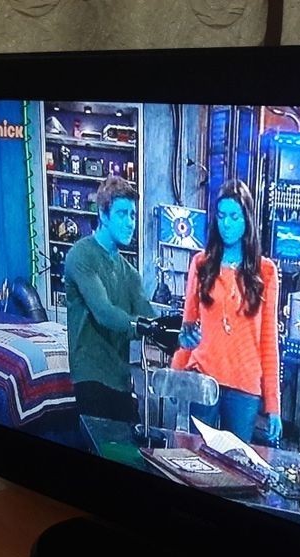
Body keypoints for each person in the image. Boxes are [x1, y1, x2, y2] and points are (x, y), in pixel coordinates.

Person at [171, 179, 282, 445]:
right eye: (221, 216)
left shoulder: (265, 272)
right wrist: (175, 376)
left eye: (234, 217)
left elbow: (268, 342)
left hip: (244, 385)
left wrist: (273, 404)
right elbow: (189, 328)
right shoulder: (201, 264)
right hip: (203, 379)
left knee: (236, 462)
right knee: (197, 456)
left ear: (247, 220)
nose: (227, 224)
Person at [64, 176, 154, 422]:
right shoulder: (81, 255)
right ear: (103, 215)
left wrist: (179, 332)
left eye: (133, 215)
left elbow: (149, 315)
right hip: (91, 378)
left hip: (121, 380)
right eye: (122, 214)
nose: (130, 223)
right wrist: (144, 327)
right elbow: (104, 312)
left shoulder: (130, 272)